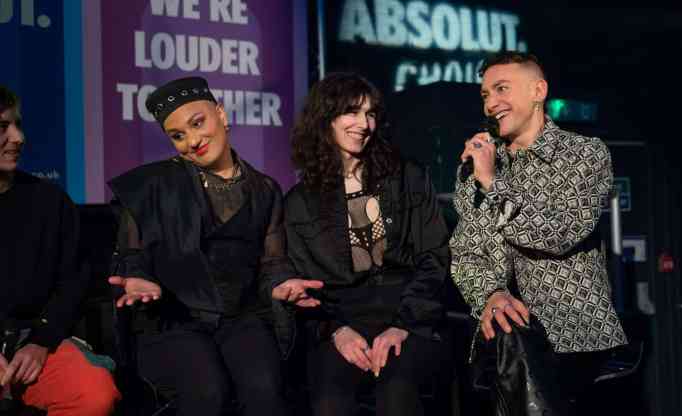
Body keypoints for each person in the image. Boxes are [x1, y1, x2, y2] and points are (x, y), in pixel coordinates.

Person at [107, 77, 321, 416]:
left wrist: (282, 284)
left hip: (240, 317)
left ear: (220, 114)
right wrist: (137, 277)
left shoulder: (265, 190)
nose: (192, 141)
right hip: (175, 319)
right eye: (178, 136)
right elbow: (132, 256)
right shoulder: (151, 185)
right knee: (208, 391)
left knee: (265, 390)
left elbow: (272, 263)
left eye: (197, 123)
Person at [450, 52, 628, 413]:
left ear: (538, 91)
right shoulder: (479, 163)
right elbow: (466, 252)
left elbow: (560, 231)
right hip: (500, 336)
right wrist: (490, 295)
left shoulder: (584, 154)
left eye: (501, 89)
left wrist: (492, 184)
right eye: (485, 94)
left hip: (572, 331)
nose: (491, 103)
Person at [285, 72, 450, 416]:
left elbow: (434, 256)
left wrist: (404, 324)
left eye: (371, 113)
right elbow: (304, 286)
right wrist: (336, 330)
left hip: (408, 314)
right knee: (330, 400)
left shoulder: (408, 177)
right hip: (341, 323)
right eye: (352, 112)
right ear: (325, 119)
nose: (364, 123)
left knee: (396, 391)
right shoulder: (299, 202)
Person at [0, 85, 120, 415]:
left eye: (17, 124)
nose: (18, 137)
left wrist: (41, 341)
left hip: (35, 342)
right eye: (2, 128)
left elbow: (73, 281)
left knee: (93, 395)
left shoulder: (49, 200)